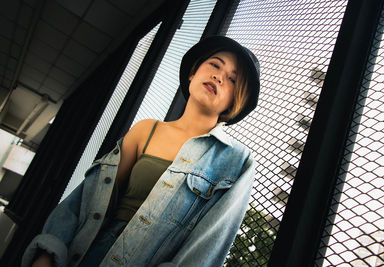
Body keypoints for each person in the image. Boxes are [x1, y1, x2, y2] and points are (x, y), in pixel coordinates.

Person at [22, 35, 260, 267]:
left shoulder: (237, 160)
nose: (219, 76)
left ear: (235, 102)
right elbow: (89, 195)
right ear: (193, 73)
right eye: (215, 65)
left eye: (232, 80)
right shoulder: (146, 129)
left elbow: (207, 248)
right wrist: (49, 251)